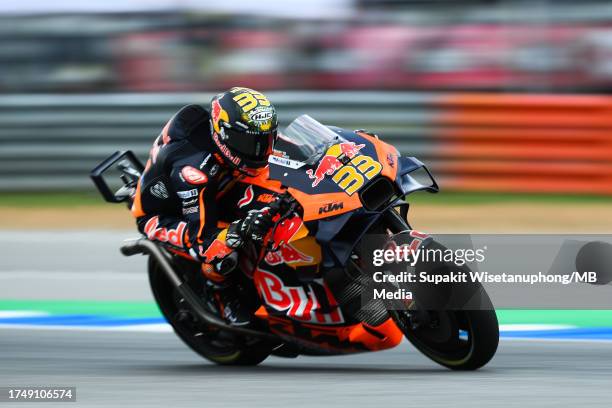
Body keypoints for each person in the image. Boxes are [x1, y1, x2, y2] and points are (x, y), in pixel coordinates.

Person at [130, 87, 279, 326]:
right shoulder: (193, 170)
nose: (259, 151)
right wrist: (237, 230)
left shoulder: (230, 136)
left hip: (219, 186)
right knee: (221, 249)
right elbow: (204, 237)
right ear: (223, 134)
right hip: (166, 216)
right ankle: (222, 298)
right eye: (249, 142)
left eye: (265, 140)